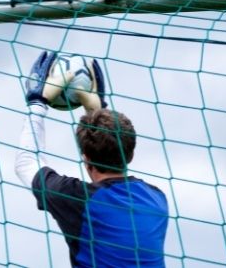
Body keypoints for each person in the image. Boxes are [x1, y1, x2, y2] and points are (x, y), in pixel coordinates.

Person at [14, 51, 169, 268]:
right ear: (130, 154)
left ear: (85, 159)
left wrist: (37, 102)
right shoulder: (156, 200)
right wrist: (99, 111)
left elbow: (26, 162)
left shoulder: (78, 200)